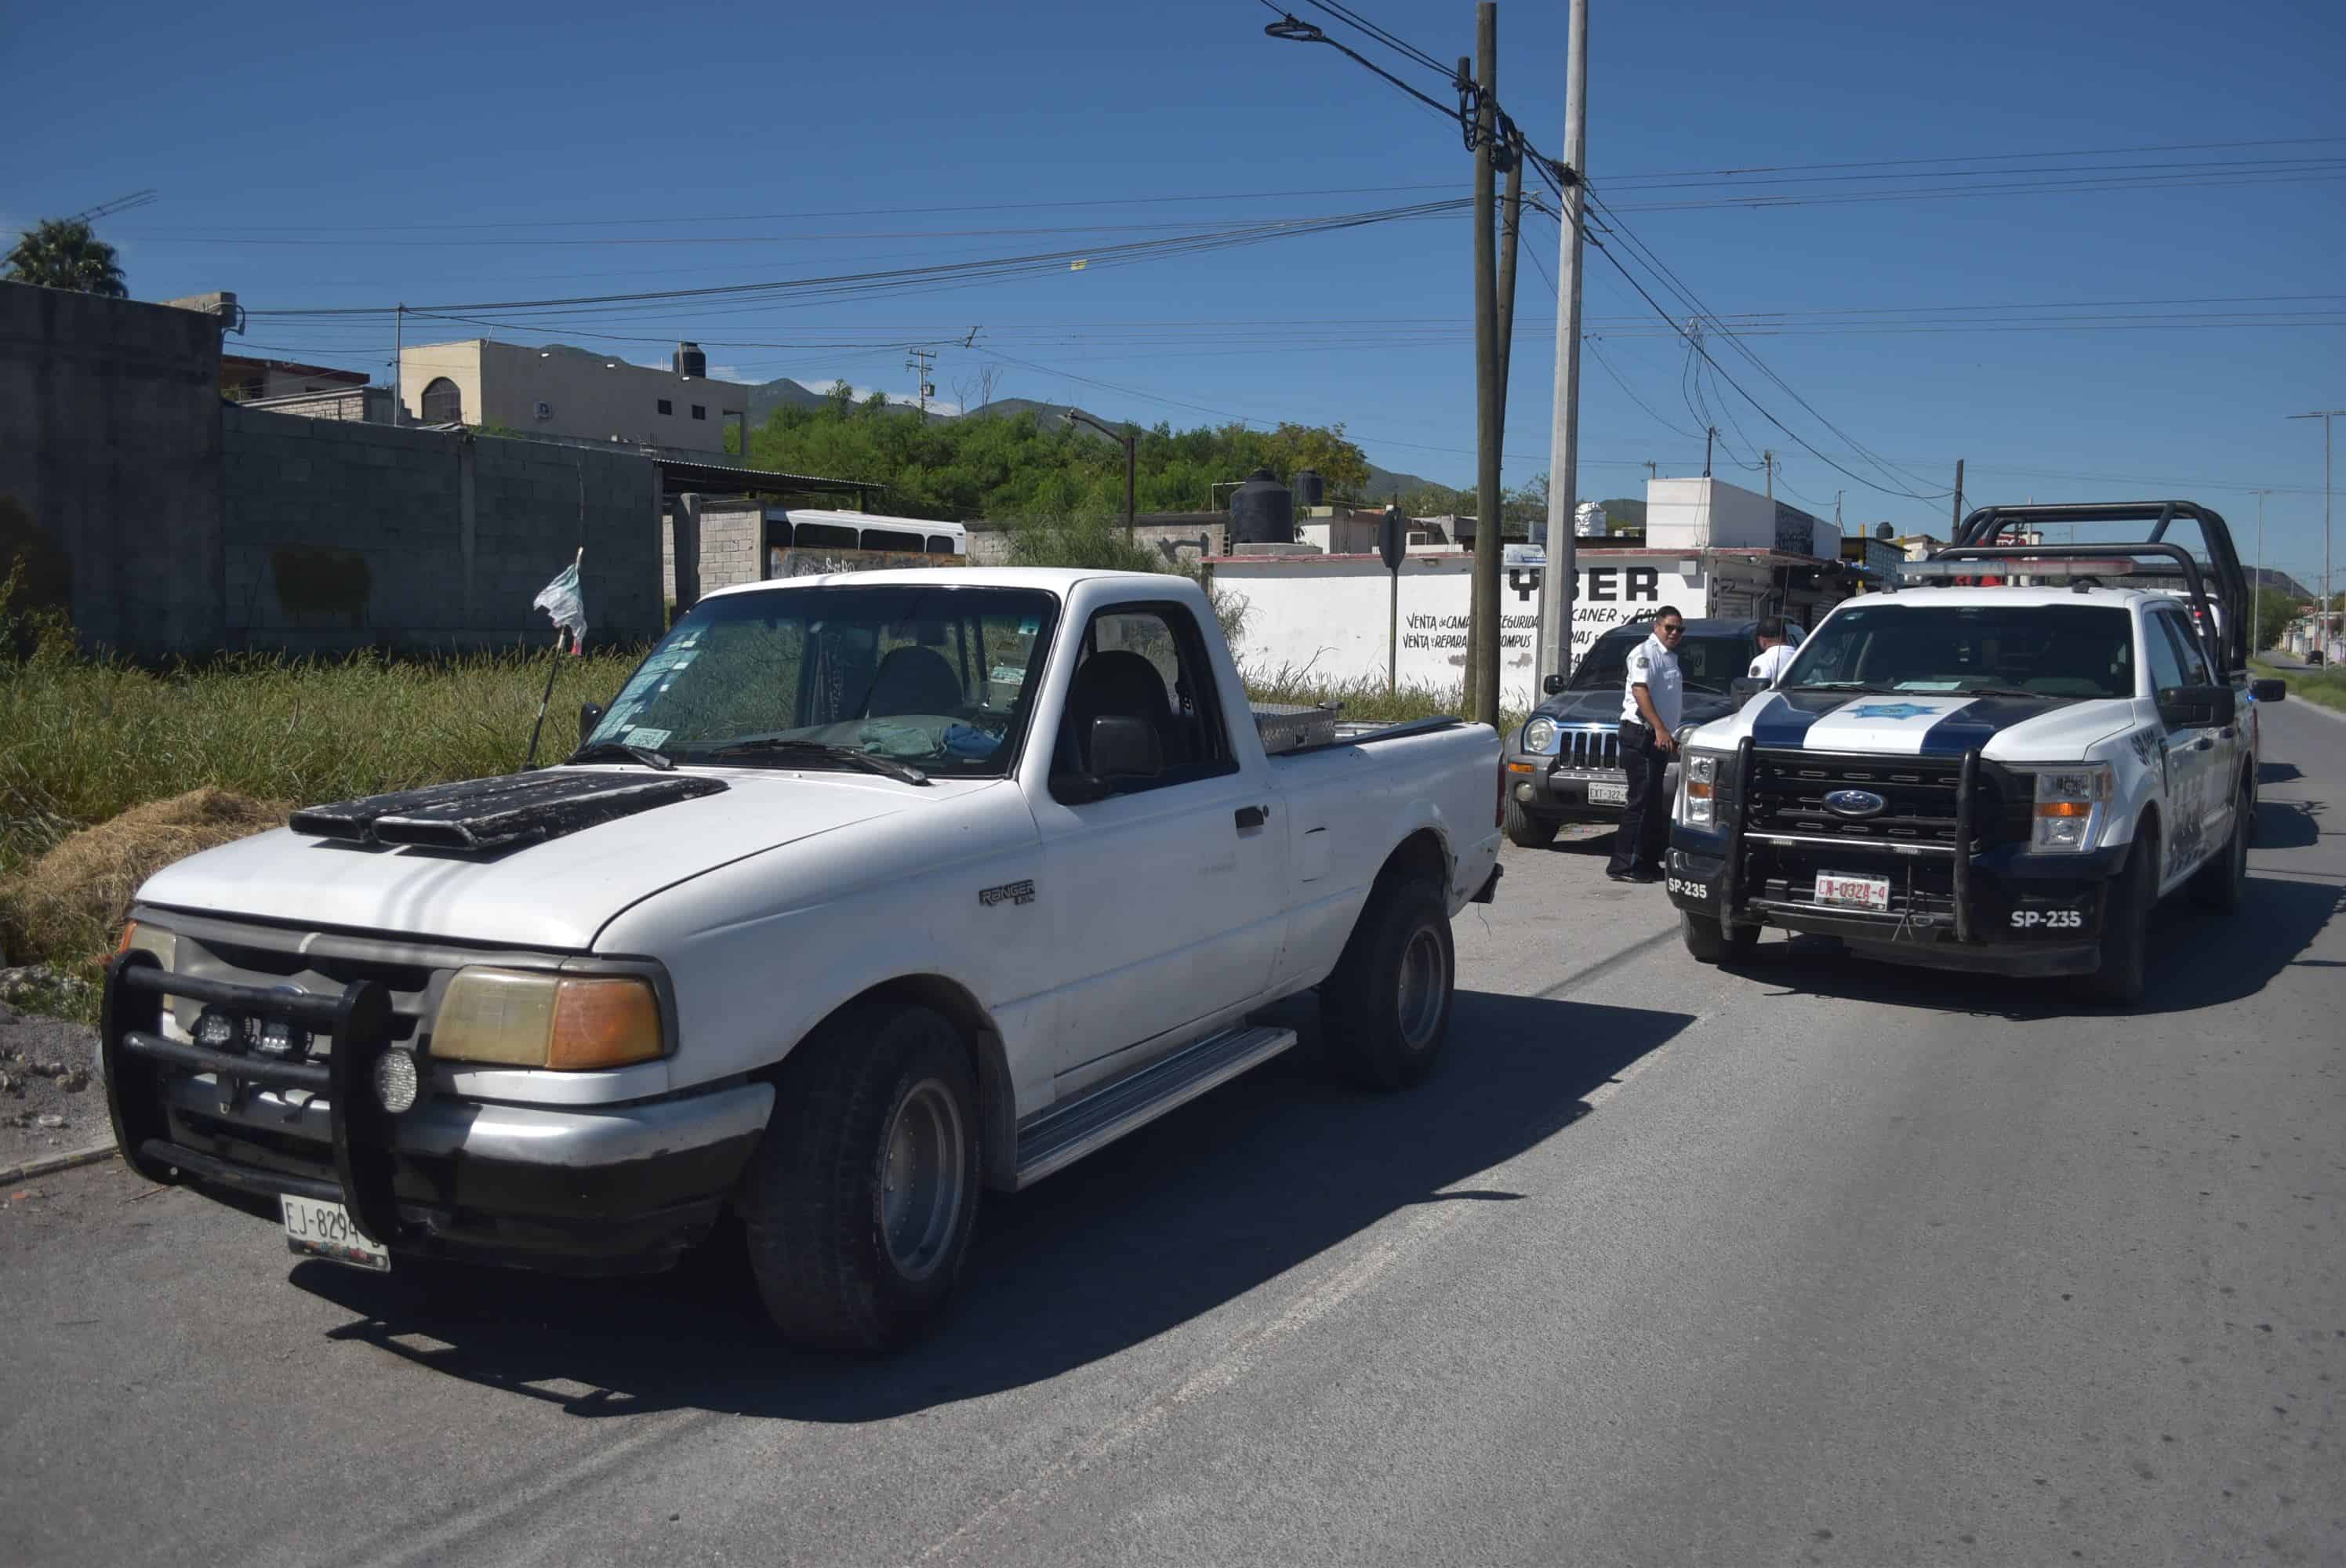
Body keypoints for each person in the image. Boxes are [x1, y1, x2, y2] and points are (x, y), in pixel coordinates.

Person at [1606, 606, 1685, 883]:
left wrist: (1668, 734)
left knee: (1652, 804)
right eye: (1669, 627)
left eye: (1679, 629)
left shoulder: (1668, 657)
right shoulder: (1645, 653)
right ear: (1657, 626)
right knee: (1639, 803)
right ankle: (1622, 865)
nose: (1674, 633)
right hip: (1641, 734)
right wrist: (1661, 729)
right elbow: (1640, 690)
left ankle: (1647, 863)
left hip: (1658, 738)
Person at [1748, 615, 1796, 684]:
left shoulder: (1763, 661)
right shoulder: (1802, 658)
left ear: (1762, 640)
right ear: (1785, 636)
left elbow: (1755, 692)